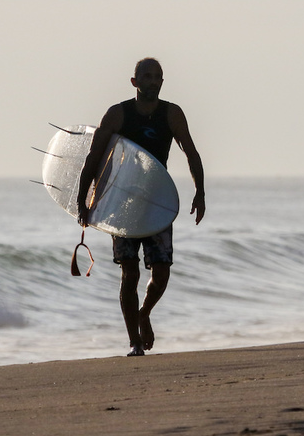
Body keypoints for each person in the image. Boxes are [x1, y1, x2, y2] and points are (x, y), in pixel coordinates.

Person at [76, 58, 206, 357]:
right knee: (130, 273)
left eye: (157, 77)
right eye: (146, 77)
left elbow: (191, 151)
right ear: (134, 82)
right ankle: (134, 340)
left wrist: (200, 192)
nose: (153, 81)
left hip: (156, 200)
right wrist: (83, 200)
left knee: (161, 271)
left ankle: (144, 312)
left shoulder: (171, 114)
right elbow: (94, 157)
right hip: (120, 203)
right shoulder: (117, 114)